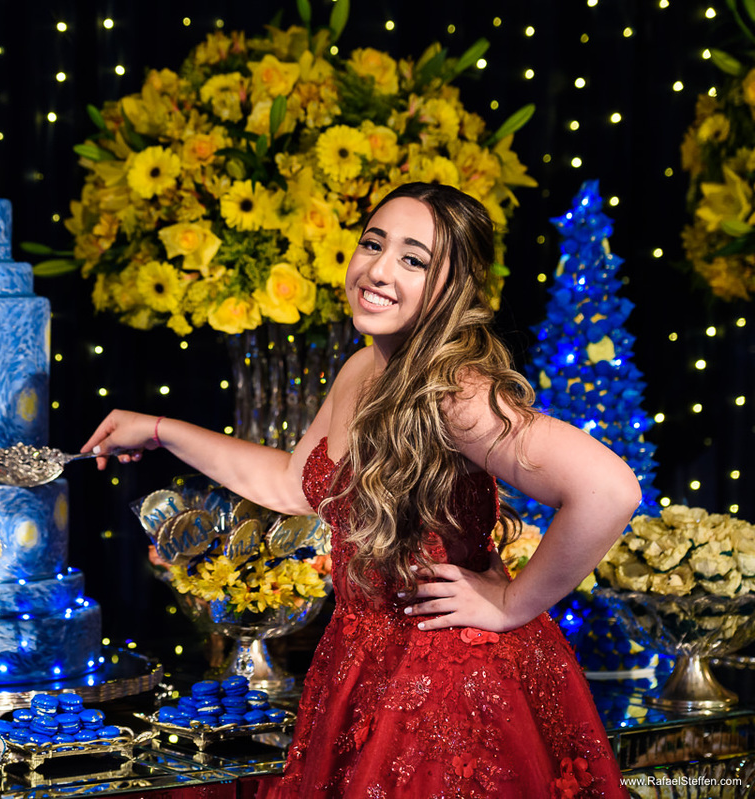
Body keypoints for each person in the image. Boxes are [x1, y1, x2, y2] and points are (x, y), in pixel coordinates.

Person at [81, 182, 637, 798]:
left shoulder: (453, 392)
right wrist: (162, 431)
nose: (376, 269)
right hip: (360, 661)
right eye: (373, 244)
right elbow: (292, 484)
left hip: (442, 684)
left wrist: (513, 604)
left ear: (453, 291)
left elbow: (608, 489)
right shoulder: (364, 369)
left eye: (413, 259)